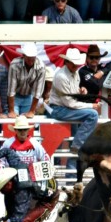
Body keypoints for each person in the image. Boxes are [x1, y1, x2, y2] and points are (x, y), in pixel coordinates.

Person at [46, 48, 100, 176]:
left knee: (76, 138)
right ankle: (77, 146)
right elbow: (69, 103)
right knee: (93, 115)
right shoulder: (61, 76)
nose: (76, 66)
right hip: (60, 109)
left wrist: (80, 90)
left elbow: (72, 96)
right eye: (73, 63)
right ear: (67, 62)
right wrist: (91, 105)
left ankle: (71, 174)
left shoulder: (73, 73)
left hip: (65, 108)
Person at [7, 42, 46, 119]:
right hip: (15, 97)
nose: (31, 60)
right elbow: (11, 90)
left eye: (33, 57)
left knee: (26, 123)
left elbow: (38, 92)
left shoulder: (41, 67)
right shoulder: (14, 65)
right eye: (28, 57)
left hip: (29, 96)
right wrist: (11, 111)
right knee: (14, 121)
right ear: (23, 55)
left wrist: (32, 111)